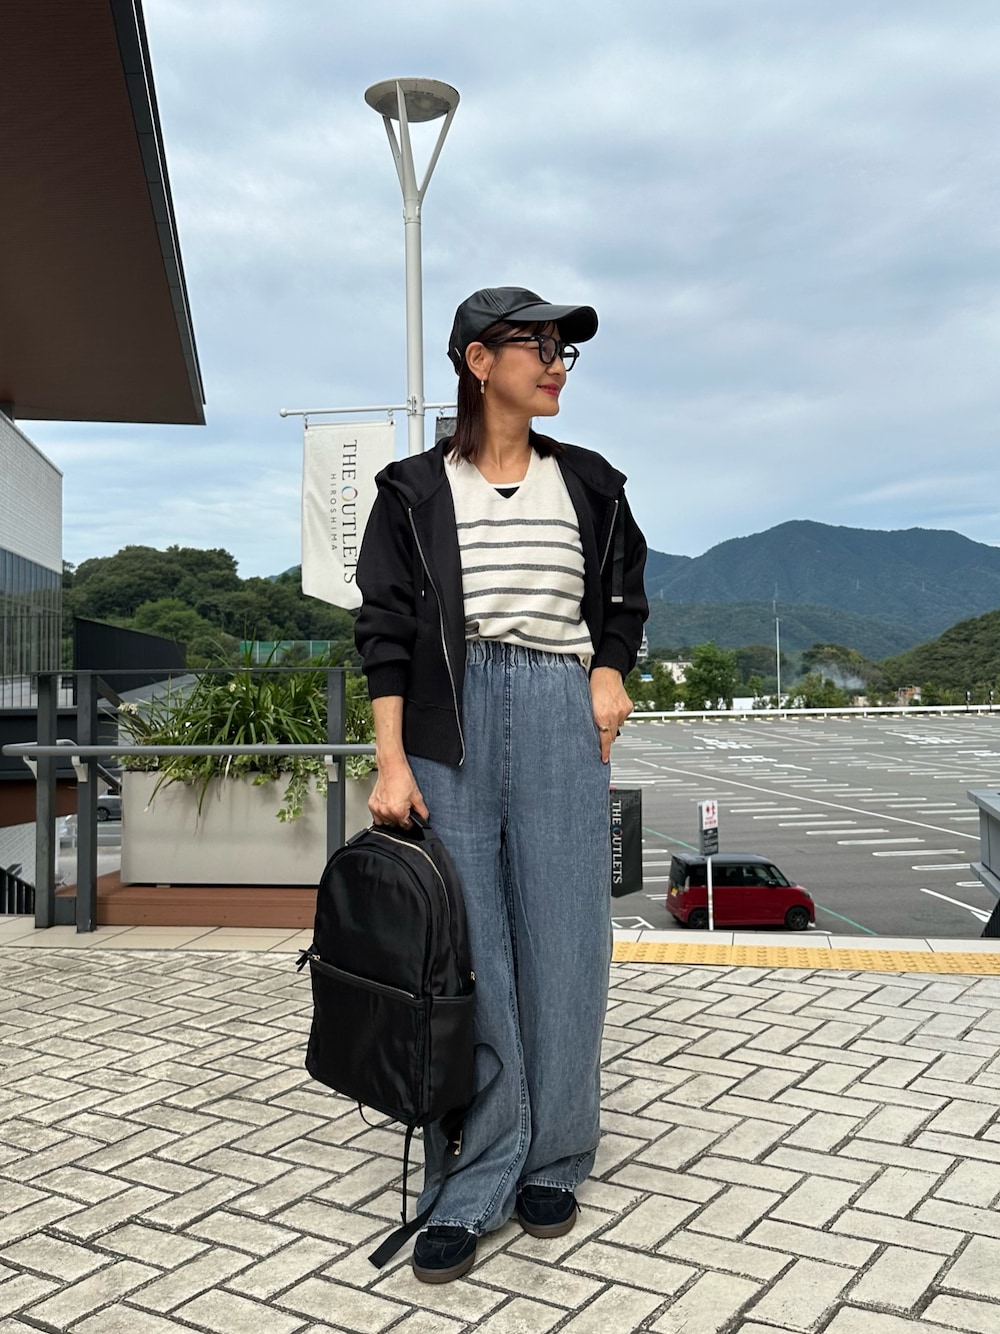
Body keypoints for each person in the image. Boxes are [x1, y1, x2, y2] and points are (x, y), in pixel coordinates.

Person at [355, 285, 648, 1283]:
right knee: (471, 948)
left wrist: (607, 672)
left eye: (567, 349)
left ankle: (556, 1151)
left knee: (567, 938)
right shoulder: (411, 490)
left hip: (562, 706)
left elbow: (623, 600)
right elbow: (385, 631)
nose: (558, 363)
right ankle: (477, 1170)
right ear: (480, 361)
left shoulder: (592, 482)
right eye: (540, 345)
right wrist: (391, 759)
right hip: (450, 715)